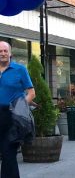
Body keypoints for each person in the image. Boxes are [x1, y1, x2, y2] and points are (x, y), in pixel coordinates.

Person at [0, 41, 35, 178]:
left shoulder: (20, 69)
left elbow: (31, 93)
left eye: (5, 51)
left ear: (10, 53)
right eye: (0, 51)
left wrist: (19, 107)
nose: (2, 53)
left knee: (9, 154)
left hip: (12, 117)